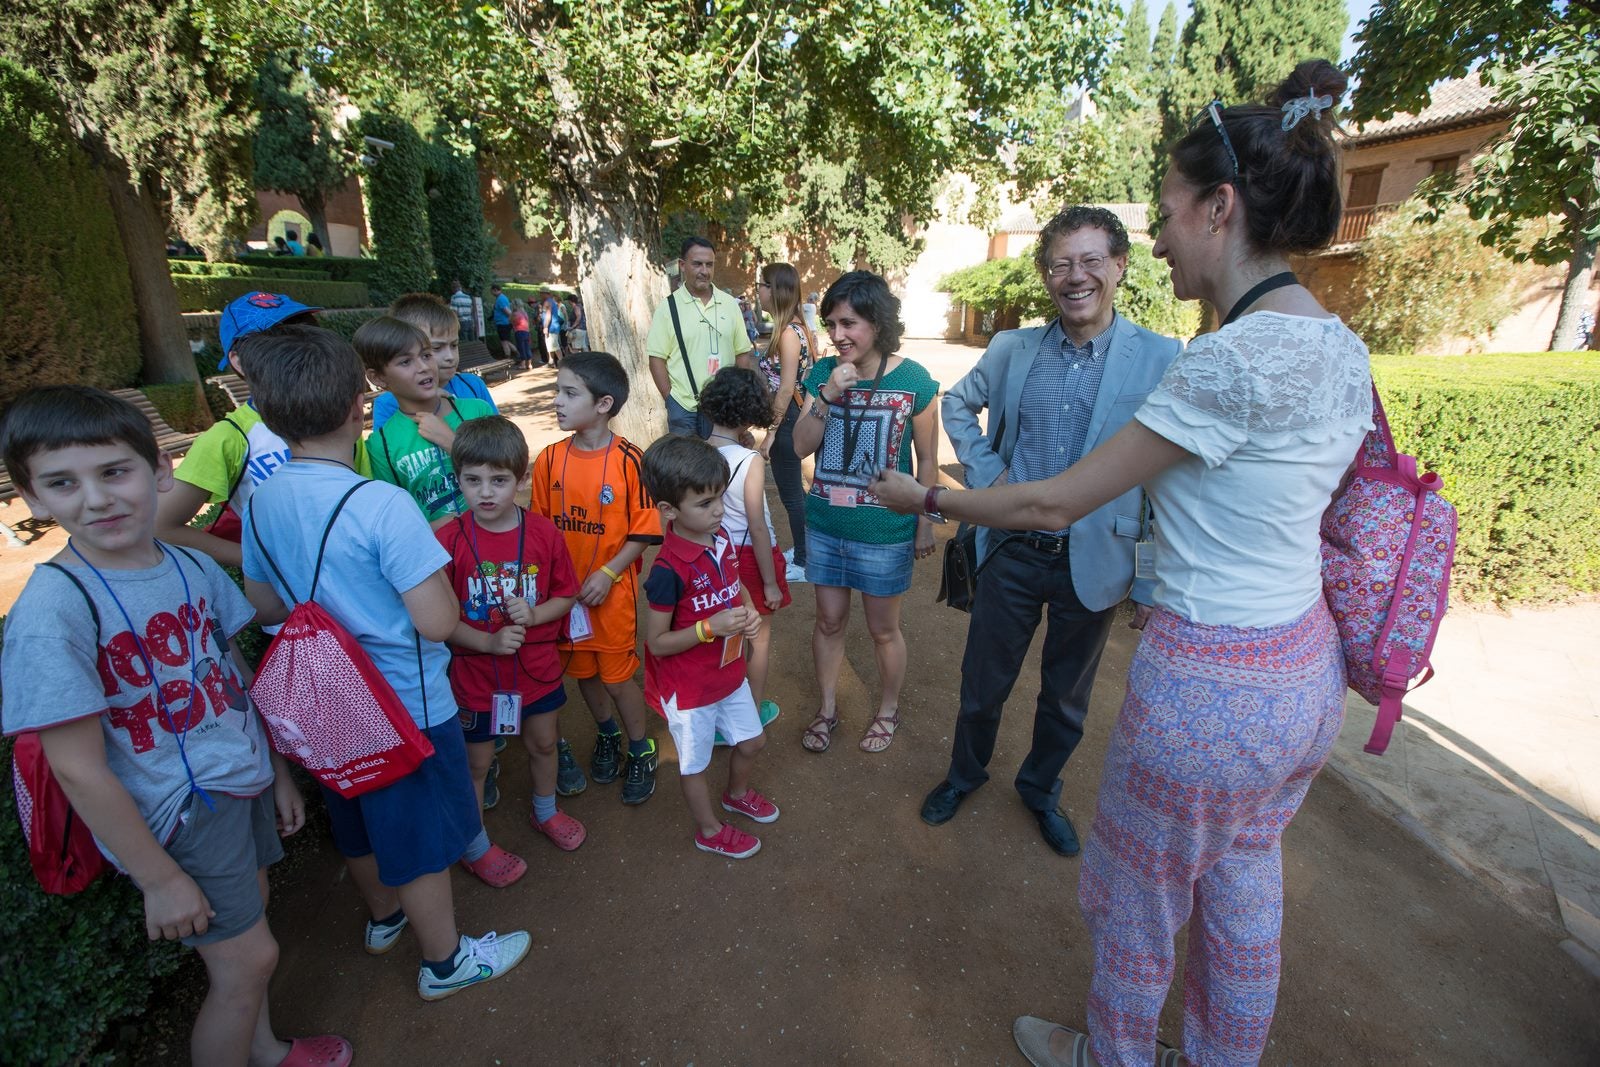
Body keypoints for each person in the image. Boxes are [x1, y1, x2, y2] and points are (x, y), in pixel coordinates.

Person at [872, 60, 1368, 1067]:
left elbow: (1058, 499)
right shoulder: (1337, 345)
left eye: (1169, 209)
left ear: (1218, 206)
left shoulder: (1224, 358)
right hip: (1303, 675)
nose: (1165, 234)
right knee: (1240, 886)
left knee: (1135, 894)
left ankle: (1113, 1051)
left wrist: (927, 495)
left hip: (1210, 689)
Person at [0, 386, 353, 1066]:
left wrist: (275, 771)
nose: (97, 498)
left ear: (160, 470)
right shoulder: (54, 609)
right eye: (63, 482)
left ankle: (268, 1049)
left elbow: (227, 670)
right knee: (249, 958)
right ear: (32, 497)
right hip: (178, 811)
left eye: (114, 471)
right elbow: (75, 764)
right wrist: (157, 877)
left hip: (233, 780)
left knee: (244, 936)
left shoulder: (187, 562)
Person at [240, 326, 532, 1002]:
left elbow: (261, 602)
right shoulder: (380, 502)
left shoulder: (262, 501)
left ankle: (385, 916)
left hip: (323, 698)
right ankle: (445, 961)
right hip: (404, 699)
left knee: (354, 808)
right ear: (357, 404)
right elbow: (434, 620)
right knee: (420, 832)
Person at [920, 205, 1183, 858]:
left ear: (1120, 266)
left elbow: (1164, 486)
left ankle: (1040, 788)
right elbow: (956, 402)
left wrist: (1149, 584)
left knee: (1067, 700)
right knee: (983, 683)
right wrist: (989, 478)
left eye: (1092, 260)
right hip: (1011, 550)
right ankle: (964, 774)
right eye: (1061, 263)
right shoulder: (1013, 349)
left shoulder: (1159, 358)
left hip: (1097, 559)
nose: (1076, 276)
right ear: (1045, 275)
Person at [790, 271, 940, 755]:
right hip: (828, 524)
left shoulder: (913, 379)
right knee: (829, 621)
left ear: (876, 322)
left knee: (881, 629)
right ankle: (828, 707)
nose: (837, 335)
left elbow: (929, 461)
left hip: (886, 528)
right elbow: (799, 447)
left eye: (849, 323)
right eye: (831, 323)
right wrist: (828, 396)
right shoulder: (822, 375)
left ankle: (888, 710)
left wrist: (923, 523)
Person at [438, 417, 584, 865]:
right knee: (477, 764)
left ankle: (546, 810)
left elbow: (567, 593)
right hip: (476, 676)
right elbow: (439, 620)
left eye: (499, 480)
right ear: (457, 478)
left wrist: (537, 614)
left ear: (522, 478)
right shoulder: (448, 540)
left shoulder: (542, 533)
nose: (485, 492)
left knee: (544, 742)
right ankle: (475, 844)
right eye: (472, 480)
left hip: (536, 671)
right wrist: (486, 643)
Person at [531, 352, 664, 803]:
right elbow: (542, 533)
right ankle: (607, 733)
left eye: (569, 393)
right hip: (567, 601)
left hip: (611, 595)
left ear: (604, 404)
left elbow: (645, 530)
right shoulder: (549, 460)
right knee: (583, 671)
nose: (557, 402)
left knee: (615, 676)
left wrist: (608, 573)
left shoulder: (630, 460)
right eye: (557, 391)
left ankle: (640, 747)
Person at [639, 435, 775, 859]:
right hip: (691, 690)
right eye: (704, 503)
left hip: (729, 676)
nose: (718, 510)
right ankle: (709, 829)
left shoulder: (722, 541)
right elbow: (657, 644)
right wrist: (708, 629)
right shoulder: (666, 570)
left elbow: (736, 590)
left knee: (752, 742)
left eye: (719, 497)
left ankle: (736, 793)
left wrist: (749, 612)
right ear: (668, 510)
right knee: (694, 765)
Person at [155, 291, 354, 565]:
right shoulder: (228, 438)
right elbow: (162, 525)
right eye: (279, 343)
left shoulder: (341, 412)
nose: (299, 351)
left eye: (305, 334)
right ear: (238, 360)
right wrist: (258, 562)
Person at [698, 367, 790, 726]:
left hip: (712, 556)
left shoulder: (698, 453)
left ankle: (717, 713)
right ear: (751, 413)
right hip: (749, 558)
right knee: (759, 639)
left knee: (721, 637)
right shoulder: (749, 461)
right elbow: (757, 525)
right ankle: (750, 712)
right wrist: (769, 582)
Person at [359, 316, 494, 526]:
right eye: (405, 361)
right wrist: (431, 530)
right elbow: (396, 520)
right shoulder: (380, 446)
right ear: (378, 378)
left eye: (426, 355)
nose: (423, 367)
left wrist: (454, 444)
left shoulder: (478, 410)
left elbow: (511, 473)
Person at [646, 237, 755, 437]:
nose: (704, 271)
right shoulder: (668, 308)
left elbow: (742, 355)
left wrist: (741, 396)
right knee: (686, 467)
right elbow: (656, 359)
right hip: (684, 408)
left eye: (709, 265)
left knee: (722, 465)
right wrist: (670, 398)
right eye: (697, 264)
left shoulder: (730, 305)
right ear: (682, 265)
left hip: (724, 405)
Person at [755, 262, 817, 584]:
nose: (759, 291)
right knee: (796, 493)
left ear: (775, 291)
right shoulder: (796, 328)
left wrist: (770, 433)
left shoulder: (788, 335)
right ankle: (806, 550)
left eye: (763, 285)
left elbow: (786, 387)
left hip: (789, 419)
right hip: (792, 417)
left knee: (792, 494)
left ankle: (806, 561)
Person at [370, 293, 497, 433]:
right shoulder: (388, 404)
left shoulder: (473, 385)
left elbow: (501, 444)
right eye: (436, 348)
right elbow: (389, 450)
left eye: (454, 345)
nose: (450, 357)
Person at [490, 284, 513, 359]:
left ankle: (508, 358)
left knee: (504, 342)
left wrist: (509, 320)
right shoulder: (502, 298)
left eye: (492, 291)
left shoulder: (500, 299)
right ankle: (517, 354)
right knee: (506, 341)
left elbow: (507, 311)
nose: (491, 293)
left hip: (503, 323)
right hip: (504, 323)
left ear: (495, 290)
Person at [511, 299, 534, 370]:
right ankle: (529, 364)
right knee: (527, 348)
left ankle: (523, 364)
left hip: (519, 331)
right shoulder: (524, 313)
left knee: (521, 348)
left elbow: (512, 321)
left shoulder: (515, 314)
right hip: (526, 331)